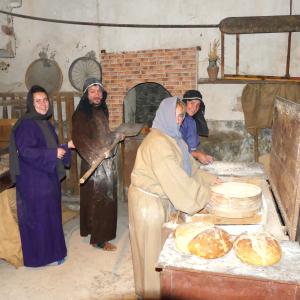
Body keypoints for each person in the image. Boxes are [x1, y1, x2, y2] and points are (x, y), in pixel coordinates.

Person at [128, 96, 218, 299]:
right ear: (166, 115)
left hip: (159, 199)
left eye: (181, 116)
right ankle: (149, 294)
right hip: (148, 205)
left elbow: (191, 170)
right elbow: (178, 182)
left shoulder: (174, 138)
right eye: (177, 116)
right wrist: (206, 196)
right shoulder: (158, 143)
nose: (179, 120)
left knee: (159, 252)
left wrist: (212, 181)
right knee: (151, 256)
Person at [9, 85, 74, 267]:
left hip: (46, 178)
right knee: (38, 220)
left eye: (45, 100)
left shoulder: (43, 122)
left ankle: (55, 252)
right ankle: (39, 258)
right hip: (33, 181)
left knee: (51, 216)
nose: (43, 104)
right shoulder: (27, 124)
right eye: (38, 100)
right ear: (31, 103)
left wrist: (66, 146)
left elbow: (48, 146)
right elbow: (26, 151)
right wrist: (52, 154)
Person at [72, 77, 122, 251]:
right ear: (86, 95)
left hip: (104, 161)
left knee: (99, 199)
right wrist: (97, 156)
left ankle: (90, 230)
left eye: (99, 91)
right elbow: (80, 139)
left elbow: (103, 135)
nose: (97, 95)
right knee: (101, 200)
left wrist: (115, 136)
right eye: (92, 91)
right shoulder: (81, 114)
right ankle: (99, 239)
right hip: (94, 163)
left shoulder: (100, 111)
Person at [180, 89, 214, 164]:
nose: (194, 108)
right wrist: (197, 155)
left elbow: (190, 149)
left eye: (197, 105)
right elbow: (177, 145)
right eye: (192, 103)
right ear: (185, 103)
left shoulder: (191, 121)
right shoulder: (178, 119)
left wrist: (200, 155)